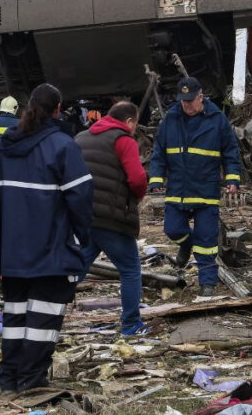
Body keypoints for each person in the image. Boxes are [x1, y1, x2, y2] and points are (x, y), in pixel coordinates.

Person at [0, 83, 93, 394]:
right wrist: (81, 239)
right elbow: (81, 199)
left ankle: (9, 379)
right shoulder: (62, 146)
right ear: (57, 110)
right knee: (43, 321)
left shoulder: (0, 148)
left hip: (10, 253)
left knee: (15, 317)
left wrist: (2, 234)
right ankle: (32, 381)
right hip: (50, 251)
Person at [149, 77, 243, 297]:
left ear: (201, 97)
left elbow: (231, 152)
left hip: (205, 190)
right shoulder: (171, 119)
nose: (187, 105)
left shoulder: (217, 120)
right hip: (178, 190)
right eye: (183, 101)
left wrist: (232, 179)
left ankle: (207, 283)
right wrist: (156, 178)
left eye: (191, 101)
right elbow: (159, 153)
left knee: (207, 239)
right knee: (172, 229)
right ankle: (186, 245)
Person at [74, 101, 149, 336]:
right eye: (135, 123)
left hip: (83, 216)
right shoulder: (124, 140)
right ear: (128, 122)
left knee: (76, 267)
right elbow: (137, 179)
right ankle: (131, 324)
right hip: (112, 217)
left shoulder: (81, 138)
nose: (135, 128)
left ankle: (45, 310)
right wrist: (136, 198)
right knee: (130, 270)